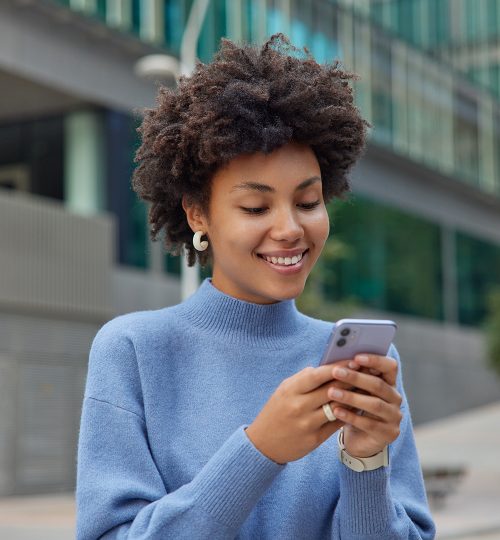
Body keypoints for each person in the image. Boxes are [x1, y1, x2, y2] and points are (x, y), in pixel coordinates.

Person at [76, 34, 435, 539]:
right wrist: (261, 450)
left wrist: (366, 462)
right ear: (198, 212)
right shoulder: (133, 350)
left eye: (308, 202)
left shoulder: (359, 365)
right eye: (255, 207)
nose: (290, 228)